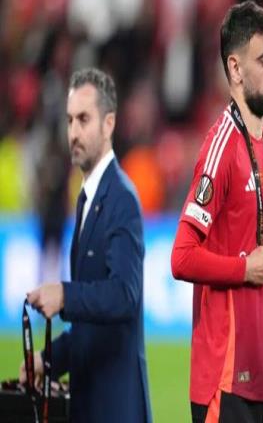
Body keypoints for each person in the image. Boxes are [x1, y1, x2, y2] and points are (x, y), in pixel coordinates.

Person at [171, 0, 263, 423]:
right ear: (236, 68)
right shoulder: (219, 149)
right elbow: (181, 257)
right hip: (222, 382)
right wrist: (244, 268)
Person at [20, 68, 152, 423]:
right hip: (93, 404)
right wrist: (47, 359)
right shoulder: (87, 200)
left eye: (83, 119)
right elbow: (92, 325)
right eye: (69, 120)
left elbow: (124, 295)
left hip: (116, 408)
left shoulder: (121, 198)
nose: (73, 132)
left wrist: (65, 295)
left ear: (109, 124)